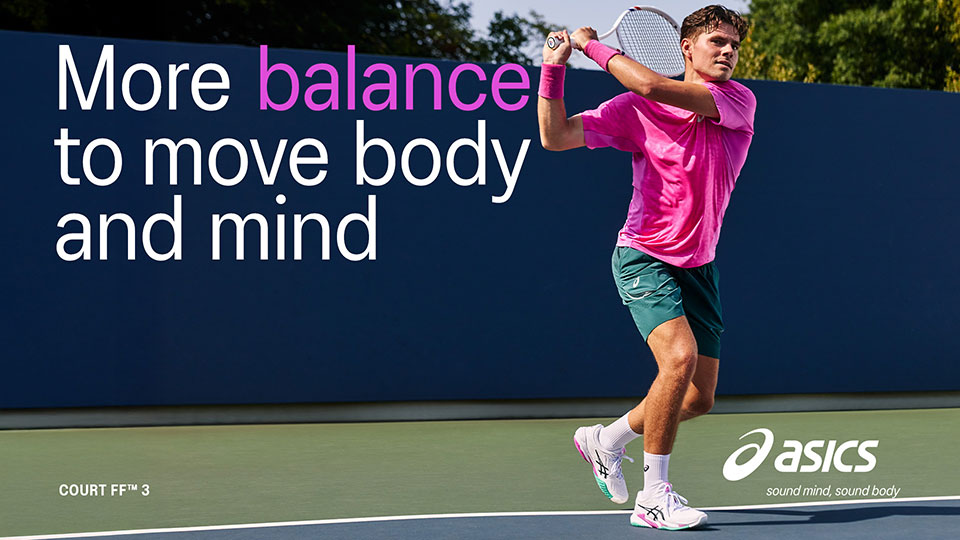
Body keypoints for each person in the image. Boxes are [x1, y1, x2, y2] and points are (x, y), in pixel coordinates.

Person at [537, 5, 756, 530]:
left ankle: (606, 440)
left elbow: (655, 85)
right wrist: (553, 69)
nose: (728, 51)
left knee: (698, 398)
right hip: (644, 255)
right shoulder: (634, 110)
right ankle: (653, 496)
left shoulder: (736, 100)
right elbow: (555, 135)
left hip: (699, 264)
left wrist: (591, 46)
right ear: (687, 47)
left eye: (733, 44)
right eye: (717, 41)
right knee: (678, 359)